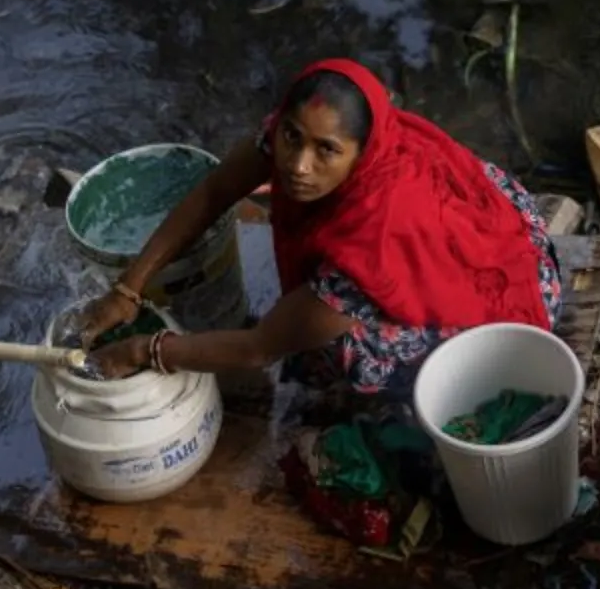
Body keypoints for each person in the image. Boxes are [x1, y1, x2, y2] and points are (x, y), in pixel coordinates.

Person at [81, 58, 563, 393]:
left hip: (508, 296)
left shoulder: (370, 244)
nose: (298, 165)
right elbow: (214, 191)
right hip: (469, 229)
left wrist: (144, 350)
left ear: (361, 156)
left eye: (326, 150)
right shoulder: (297, 136)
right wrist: (127, 289)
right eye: (292, 138)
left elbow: (258, 348)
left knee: (342, 352)